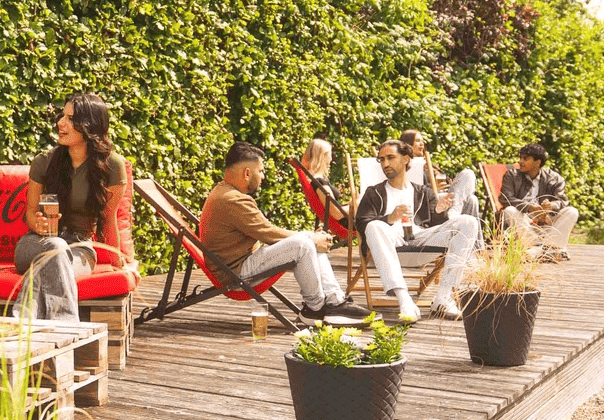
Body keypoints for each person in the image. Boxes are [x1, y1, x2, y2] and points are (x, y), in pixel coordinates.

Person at [203, 142, 372, 326]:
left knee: (308, 241)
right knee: (304, 244)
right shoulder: (233, 199)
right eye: (260, 171)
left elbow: (266, 230)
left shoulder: (224, 192)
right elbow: (268, 233)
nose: (263, 176)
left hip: (239, 265)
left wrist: (310, 236)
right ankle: (315, 308)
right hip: (237, 273)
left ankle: (335, 301)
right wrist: (310, 238)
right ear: (247, 173)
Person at [14, 93, 135, 323]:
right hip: (36, 243)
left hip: (80, 248)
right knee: (56, 246)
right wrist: (37, 223)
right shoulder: (44, 161)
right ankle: (68, 328)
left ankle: (21, 327)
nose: (60, 122)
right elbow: (30, 213)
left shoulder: (112, 166)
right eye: (62, 116)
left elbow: (108, 219)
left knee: (48, 265)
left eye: (70, 118)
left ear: (90, 126)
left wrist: (118, 259)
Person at [355, 139, 480, 322]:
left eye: (390, 158)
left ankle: (443, 298)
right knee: (374, 225)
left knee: (468, 222)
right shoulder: (373, 193)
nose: (385, 164)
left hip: (421, 241)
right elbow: (362, 224)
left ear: (406, 159)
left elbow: (435, 224)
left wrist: (439, 211)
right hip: (391, 243)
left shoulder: (423, 192)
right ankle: (404, 300)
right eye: (381, 160)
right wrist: (390, 218)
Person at [499, 142, 579, 258]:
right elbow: (505, 198)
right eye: (520, 158)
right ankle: (546, 250)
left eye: (525, 158)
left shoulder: (554, 178)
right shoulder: (512, 176)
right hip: (524, 223)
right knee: (510, 211)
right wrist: (530, 207)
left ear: (538, 162)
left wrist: (550, 206)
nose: (520, 161)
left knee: (572, 211)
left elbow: (562, 201)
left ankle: (542, 249)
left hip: (546, 223)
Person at [400, 129, 482, 227]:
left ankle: (455, 215)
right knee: (472, 200)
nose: (422, 144)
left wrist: (449, 184)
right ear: (407, 144)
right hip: (431, 201)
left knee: (468, 175)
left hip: (446, 196)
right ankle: (454, 215)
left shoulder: (429, 164)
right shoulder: (407, 165)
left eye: (422, 141)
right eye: (418, 141)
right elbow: (413, 193)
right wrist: (433, 191)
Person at [297, 138, 355, 240]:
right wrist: (357, 205)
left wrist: (350, 204)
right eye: (330, 155)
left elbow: (333, 208)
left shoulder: (315, 180)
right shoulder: (319, 182)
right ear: (323, 156)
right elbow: (337, 214)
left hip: (345, 221)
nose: (331, 159)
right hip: (348, 224)